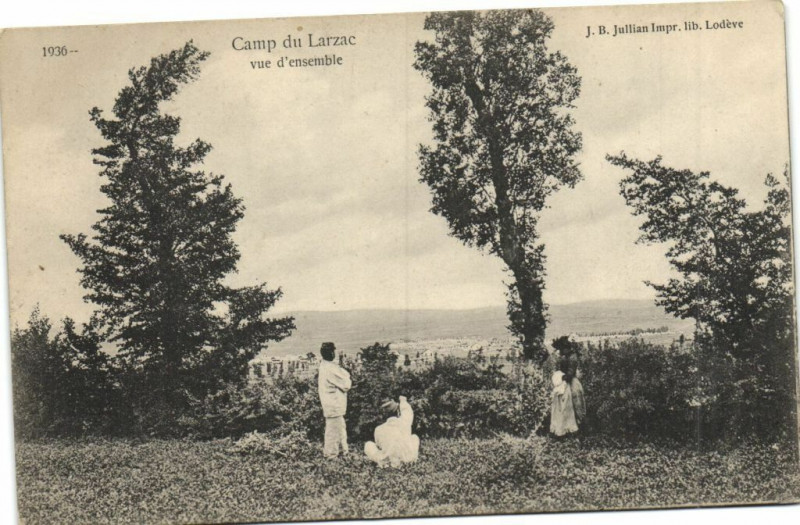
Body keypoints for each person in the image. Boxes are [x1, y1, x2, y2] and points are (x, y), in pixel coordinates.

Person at [364, 395, 419, 468]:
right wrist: (403, 401)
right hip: (407, 459)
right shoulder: (405, 422)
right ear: (398, 412)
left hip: (389, 460)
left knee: (368, 445)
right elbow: (407, 411)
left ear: (384, 416)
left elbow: (379, 445)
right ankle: (410, 459)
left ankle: (386, 462)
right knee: (414, 437)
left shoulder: (379, 429)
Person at [317, 342, 351, 458]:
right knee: (333, 432)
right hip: (334, 404)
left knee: (339, 429)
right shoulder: (331, 369)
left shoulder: (324, 366)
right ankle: (331, 455)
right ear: (332, 353)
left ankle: (343, 452)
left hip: (331, 404)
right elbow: (346, 384)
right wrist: (346, 374)